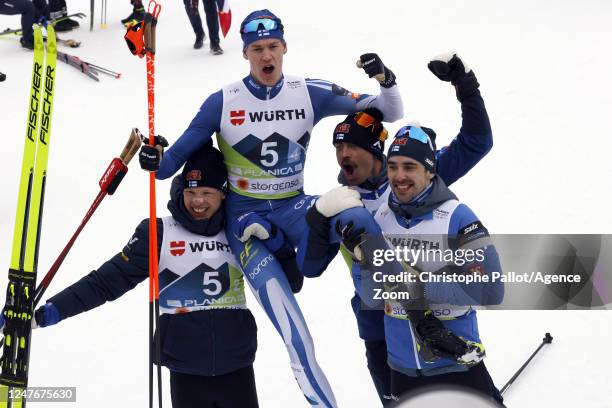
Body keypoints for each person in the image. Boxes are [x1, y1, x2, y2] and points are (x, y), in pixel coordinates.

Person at [138, 9, 403, 407]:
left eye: (273, 47)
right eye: (257, 48)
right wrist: (154, 155)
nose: (267, 56)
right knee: (297, 335)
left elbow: (390, 111)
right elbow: (168, 166)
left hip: (294, 207)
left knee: (353, 213)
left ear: (284, 48)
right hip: (246, 225)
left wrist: (386, 80)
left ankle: (394, 298)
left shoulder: (308, 91)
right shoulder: (223, 101)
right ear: (245, 53)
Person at [299, 52, 495, 405]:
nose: (344, 155)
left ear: (375, 151)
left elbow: (476, 143)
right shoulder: (340, 202)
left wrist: (465, 87)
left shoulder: (411, 181)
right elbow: (309, 267)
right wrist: (316, 219)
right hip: (378, 323)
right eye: (338, 146)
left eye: (352, 146)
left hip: (437, 320)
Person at [11, 143, 261, 408]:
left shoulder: (240, 230)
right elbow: (106, 282)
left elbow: (290, 280)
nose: (197, 201)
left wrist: (278, 239)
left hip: (237, 365)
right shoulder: (159, 232)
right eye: (191, 192)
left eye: (207, 192)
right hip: (186, 369)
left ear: (223, 194)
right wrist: (53, 310)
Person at [359, 121, 505, 405]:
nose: (399, 176)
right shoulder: (381, 219)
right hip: (402, 369)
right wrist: (363, 263)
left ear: (429, 170)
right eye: (393, 166)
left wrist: (419, 287)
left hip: (456, 362)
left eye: (410, 167)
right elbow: (369, 294)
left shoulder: (457, 217)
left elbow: (491, 290)